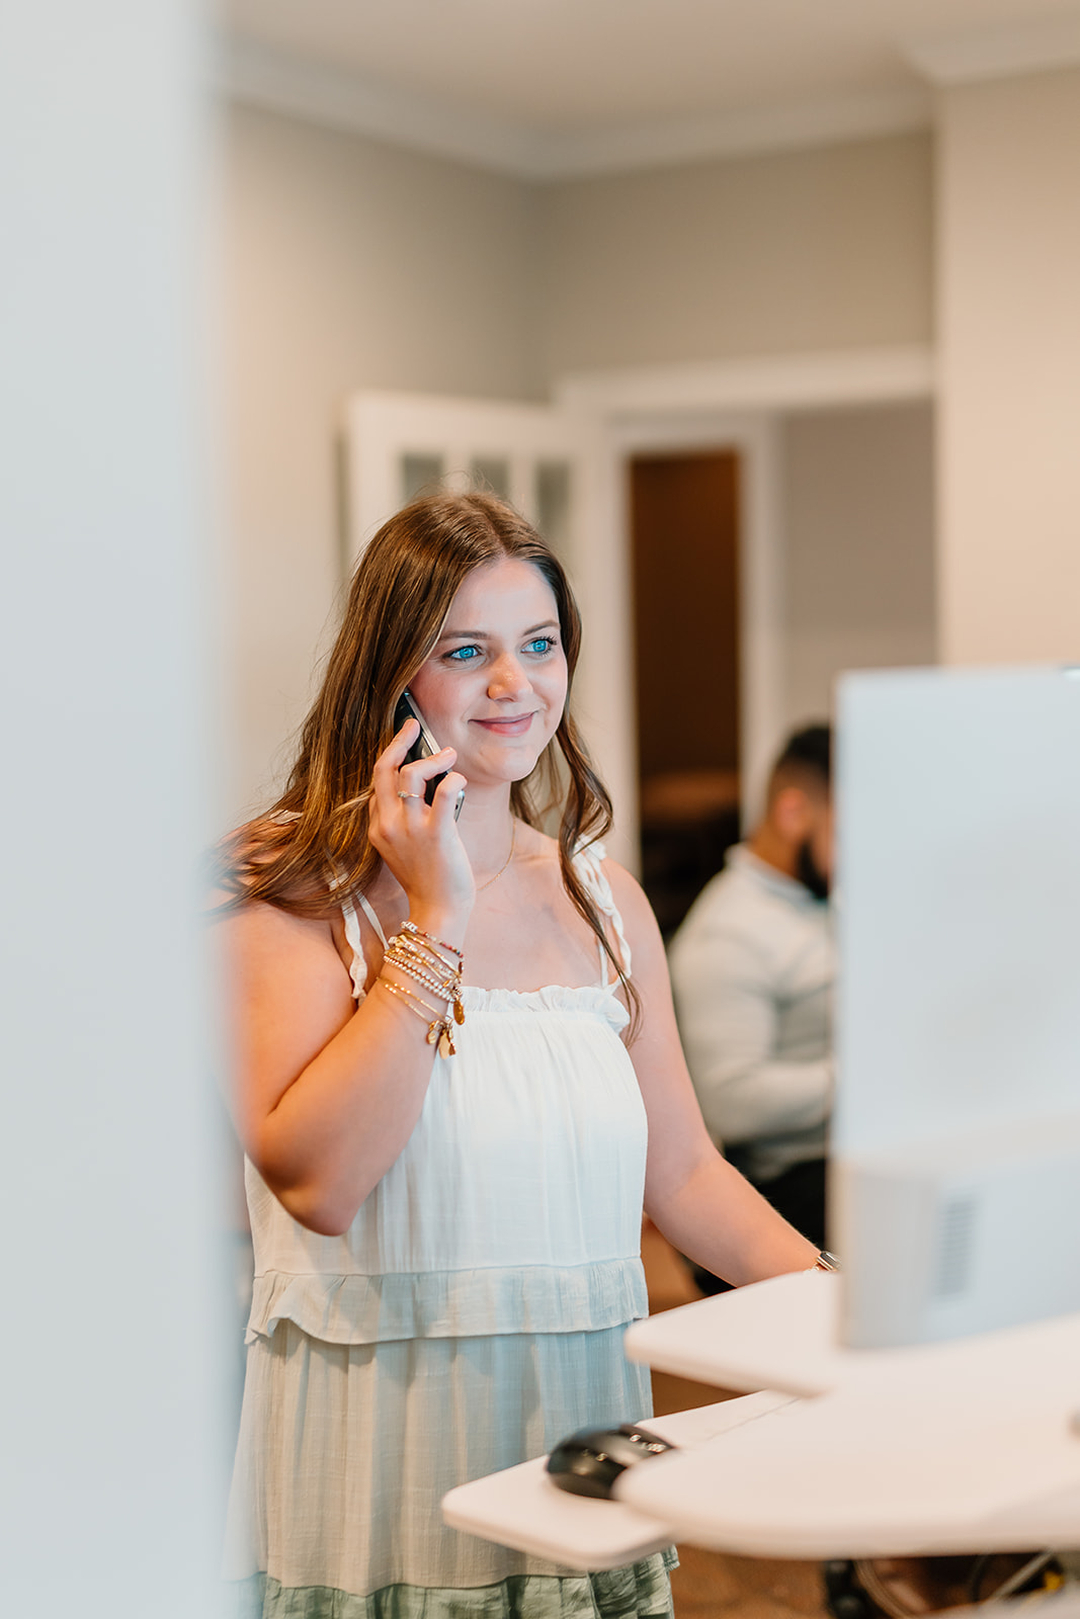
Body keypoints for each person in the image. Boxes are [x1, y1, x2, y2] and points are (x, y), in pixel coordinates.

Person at [217, 493, 821, 1619]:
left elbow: (684, 1173)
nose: (518, 683)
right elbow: (322, 1182)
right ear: (390, 677)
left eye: (540, 644)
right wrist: (436, 915)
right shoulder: (287, 898)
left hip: (579, 1442)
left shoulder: (603, 898)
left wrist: (843, 1310)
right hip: (389, 1465)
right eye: (468, 651)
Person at [668, 725, 834, 1289]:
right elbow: (734, 1102)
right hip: (793, 1182)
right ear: (794, 812)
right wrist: (870, 1081)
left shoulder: (822, 902)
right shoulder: (729, 934)